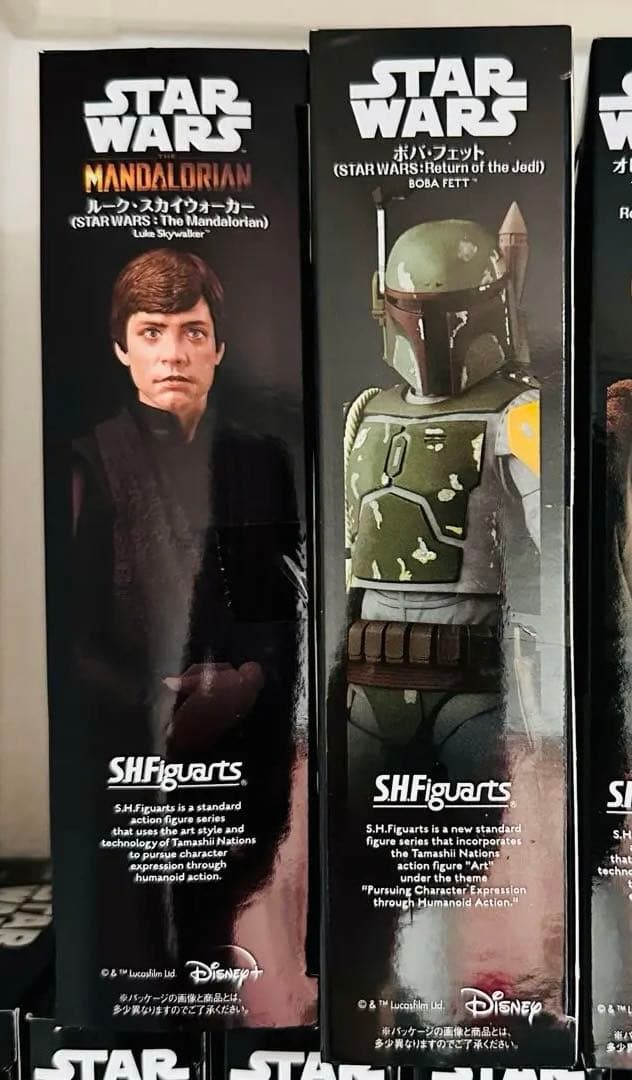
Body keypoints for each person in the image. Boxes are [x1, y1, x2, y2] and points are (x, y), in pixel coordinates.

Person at [72, 248, 312, 1021]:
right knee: (141, 962)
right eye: (152, 332)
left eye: (191, 331)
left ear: (219, 346)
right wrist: (158, 702)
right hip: (131, 761)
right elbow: (70, 634)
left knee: (235, 947)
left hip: (247, 751)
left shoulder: (260, 460)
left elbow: (283, 607)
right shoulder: (86, 465)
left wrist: (246, 684)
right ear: (122, 347)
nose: (172, 353)